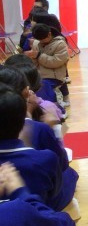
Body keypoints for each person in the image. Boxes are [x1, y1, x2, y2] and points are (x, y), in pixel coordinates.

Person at [0, 83, 63, 211]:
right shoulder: (45, 158)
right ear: (23, 121)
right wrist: (54, 131)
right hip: (37, 214)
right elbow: (55, 191)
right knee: (69, 176)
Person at [24, 23, 70, 109]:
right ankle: (39, 107)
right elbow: (35, 63)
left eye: (43, 39)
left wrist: (38, 56)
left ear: (49, 34)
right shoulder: (37, 42)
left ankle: (56, 107)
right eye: (39, 40)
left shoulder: (60, 44)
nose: (41, 42)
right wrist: (30, 57)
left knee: (42, 85)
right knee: (27, 84)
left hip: (55, 76)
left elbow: (55, 62)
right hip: (40, 74)